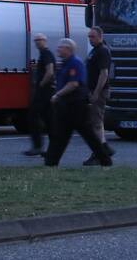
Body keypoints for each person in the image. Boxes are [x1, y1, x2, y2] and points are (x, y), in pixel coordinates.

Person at [43, 38, 112, 167]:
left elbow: (73, 84)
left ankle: (105, 159)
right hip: (65, 105)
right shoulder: (64, 63)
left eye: (61, 47)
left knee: (88, 135)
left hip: (76, 105)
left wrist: (57, 95)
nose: (58, 49)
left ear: (68, 49)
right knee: (60, 135)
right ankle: (51, 162)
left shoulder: (75, 63)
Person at [83, 26, 115, 165]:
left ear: (100, 36)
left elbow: (104, 74)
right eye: (89, 37)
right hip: (93, 89)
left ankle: (97, 154)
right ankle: (104, 147)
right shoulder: (95, 51)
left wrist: (96, 93)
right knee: (97, 121)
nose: (90, 39)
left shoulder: (102, 51)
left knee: (95, 123)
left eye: (93, 37)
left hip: (99, 91)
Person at [23, 33, 55, 157]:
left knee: (33, 117)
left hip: (44, 92)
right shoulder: (44, 54)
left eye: (39, 40)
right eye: (35, 40)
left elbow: (50, 71)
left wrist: (41, 84)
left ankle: (38, 147)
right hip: (46, 92)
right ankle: (50, 148)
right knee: (49, 120)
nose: (37, 42)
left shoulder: (46, 54)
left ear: (44, 40)